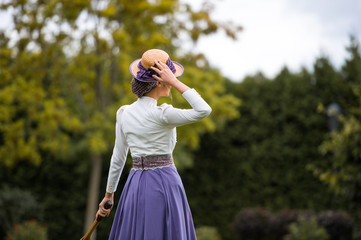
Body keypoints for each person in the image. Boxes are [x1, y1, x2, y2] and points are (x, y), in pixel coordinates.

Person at [96, 49, 212, 240]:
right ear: (160, 81)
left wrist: (109, 195)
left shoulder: (124, 112)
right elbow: (204, 110)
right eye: (170, 77)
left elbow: (118, 157)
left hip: (135, 184)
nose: (172, 83)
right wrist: (175, 82)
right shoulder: (163, 114)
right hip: (165, 182)